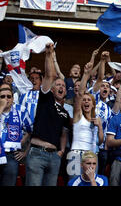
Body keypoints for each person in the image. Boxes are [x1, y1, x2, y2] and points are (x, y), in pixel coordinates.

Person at [25, 43, 71, 186]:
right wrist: (48, 55)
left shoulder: (64, 112)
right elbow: (50, 74)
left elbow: (64, 133)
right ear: (51, 89)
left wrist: (62, 151)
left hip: (54, 156)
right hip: (37, 154)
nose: (61, 87)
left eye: (63, 86)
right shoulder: (45, 99)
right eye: (58, 85)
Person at [67, 62, 104, 179]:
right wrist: (86, 74)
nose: (86, 101)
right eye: (84, 100)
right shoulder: (78, 115)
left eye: (89, 100)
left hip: (91, 156)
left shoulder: (96, 119)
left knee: (90, 183)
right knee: (74, 183)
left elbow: (101, 142)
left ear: (93, 104)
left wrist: (100, 127)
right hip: (75, 154)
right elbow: (79, 94)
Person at [0, 84, 32, 186]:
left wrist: (25, 151)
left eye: (9, 96)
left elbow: (31, 130)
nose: (6, 99)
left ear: (13, 98)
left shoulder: (21, 110)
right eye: (2, 96)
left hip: (11, 156)